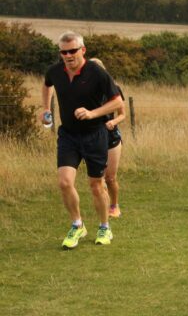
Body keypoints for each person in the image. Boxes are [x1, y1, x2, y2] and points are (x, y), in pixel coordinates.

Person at [41, 31, 123, 249]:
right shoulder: (55, 71)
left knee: (96, 185)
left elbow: (117, 102)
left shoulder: (96, 72)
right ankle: (77, 225)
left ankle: (104, 226)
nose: (68, 56)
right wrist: (46, 109)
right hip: (68, 135)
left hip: (94, 135)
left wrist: (92, 113)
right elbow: (47, 84)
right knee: (64, 182)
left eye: (72, 51)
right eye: (63, 52)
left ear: (82, 50)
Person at [88, 58, 126, 219]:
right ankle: (103, 208)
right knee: (99, 178)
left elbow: (123, 114)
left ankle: (114, 205)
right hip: (92, 137)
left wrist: (113, 121)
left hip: (111, 136)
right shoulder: (83, 91)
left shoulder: (114, 89)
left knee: (110, 177)